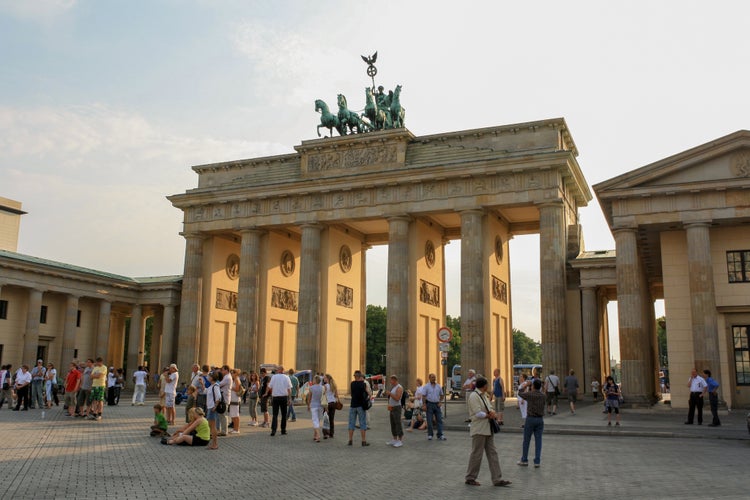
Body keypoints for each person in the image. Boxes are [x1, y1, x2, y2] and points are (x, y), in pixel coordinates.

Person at [464, 376, 511, 487]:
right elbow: (477, 413)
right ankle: (470, 477)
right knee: (477, 454)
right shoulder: (474, 396)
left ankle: (497, 479)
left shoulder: (484, 395)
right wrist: (488, 415)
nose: (488, 387)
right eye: (487, 385)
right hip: (479, 429)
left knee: (493, 454)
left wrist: (492, 413)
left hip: (488, 429)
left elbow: (490, 408)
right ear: (484, 386)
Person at [517, 378, 546, 468]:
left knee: (526, 440)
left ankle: (524, 459)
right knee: (538, 441)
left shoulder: (530, 394)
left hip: (530, 419)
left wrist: (525, 385)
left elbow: (519, 392)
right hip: (540, 419)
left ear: (533, 386)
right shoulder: (543, 396)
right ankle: (537, 461)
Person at [266, 365, 292, 436]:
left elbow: (269, 386)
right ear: (283, 370)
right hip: (284, 397)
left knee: (275, 414)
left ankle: (273, 430)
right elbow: (289, 389)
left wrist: (266, 394)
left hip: (276, 398)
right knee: (284, 415)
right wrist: (289, 398)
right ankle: (283, 430)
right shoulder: (287, 377)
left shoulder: (274, 377)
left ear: (278, 370)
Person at [347, 370, 370, 446]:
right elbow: (369, 393)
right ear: (360, 376)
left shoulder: (352, 384)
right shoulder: (363, 384)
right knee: (362, 423)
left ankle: (350, 440)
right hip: (361, 406)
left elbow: (352, 394)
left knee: (351, 423)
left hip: (353, 405)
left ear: (355, 376)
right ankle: (363, 441)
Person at [423, 372, 446, 441]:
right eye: (432, 377)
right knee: (429, 420)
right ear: (429, 378)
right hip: (429, 404)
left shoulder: (438, 386)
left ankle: (440, 435)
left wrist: (440, 401)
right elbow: (423, 396)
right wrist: (424, 405)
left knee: (439, 420)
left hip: (437, 404)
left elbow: (442, 395)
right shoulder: (426, 386)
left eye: (435, 377)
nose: (434, 378)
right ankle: (430, 434)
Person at [386, 375, 404, 447]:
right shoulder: (393, 387)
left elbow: (397, 398)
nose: (390, 382)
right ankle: (394, 439)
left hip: (397, 407)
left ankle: (400, 440)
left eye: (391, 380)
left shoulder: (399, 387)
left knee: (397, 423)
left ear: (394, 380)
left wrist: (390, 394)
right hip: (392, 407)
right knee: (392, 424)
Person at [205, 372, 221, 450]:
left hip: (212, 408)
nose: (208, 377)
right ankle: (213, 443)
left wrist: (215, 406)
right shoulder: (211, 386)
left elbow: (218, 397)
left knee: (212, 427)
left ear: (212, 377)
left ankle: (215, 444)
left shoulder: (215, 386)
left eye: (209, 376)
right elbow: (206, 391)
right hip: (210, 408)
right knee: (211, 426)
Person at [306, 375, 324, 442]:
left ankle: (318, 435)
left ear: (315, 380)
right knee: (318, 420)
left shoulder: (311, 388)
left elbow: (309, 397)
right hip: (321, 405)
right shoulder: (322, 388)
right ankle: (315, 435)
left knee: (315, 420)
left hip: (313, 405)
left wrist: (308, 405)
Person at [322, 373, 339, 438]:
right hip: (333, 403)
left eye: (325, 378)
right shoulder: (334, 385)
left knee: (326, 419)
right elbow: (336, 395)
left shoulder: (325, 386)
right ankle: (331, 433)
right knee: (331, 419)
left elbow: (324, 395)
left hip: (327, 403)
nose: (324, 378)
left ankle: (326, 433)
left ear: (327, 379)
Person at [228, 369, 242, 434]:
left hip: (235, 398)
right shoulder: (235, 379)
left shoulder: (236, 379)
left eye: (232, 373)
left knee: (236, 415)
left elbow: (237, 389)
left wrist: (230, 387)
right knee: (233, 415)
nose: (231, 374)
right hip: (232, 398)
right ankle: (234, 428)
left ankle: (237, 429)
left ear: (236, 373)